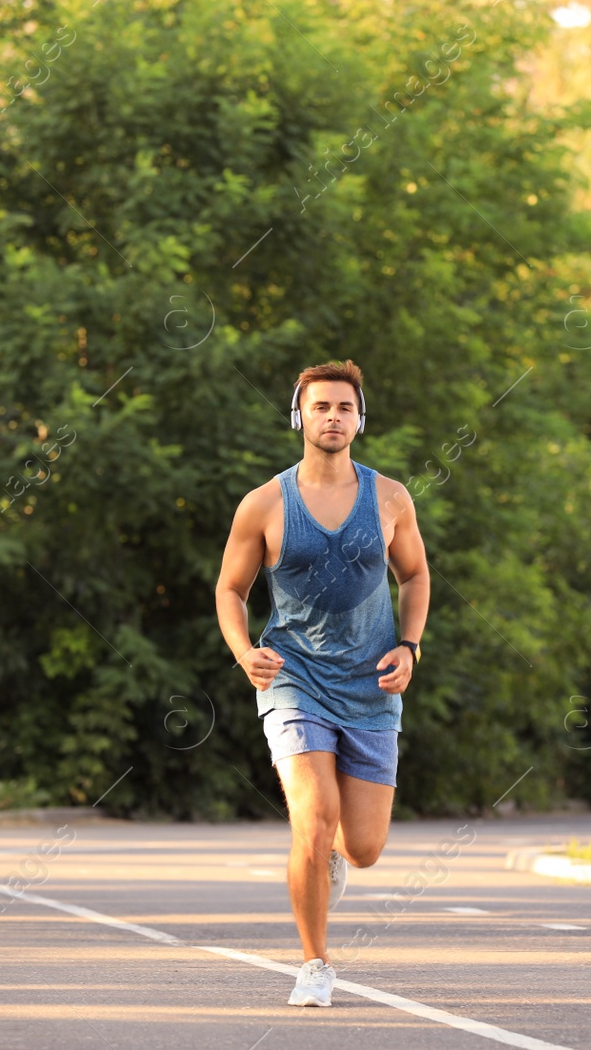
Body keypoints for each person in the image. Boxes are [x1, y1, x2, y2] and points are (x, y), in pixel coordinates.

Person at [214, 359, 430, 1008]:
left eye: (343, 407)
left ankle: (332, 856)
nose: (332, 416)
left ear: (360, 419)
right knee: (313, 815)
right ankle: (313, 962)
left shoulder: (390, 497)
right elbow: (230, 588)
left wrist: (410, 646)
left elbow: (415, 576)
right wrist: (243, 649)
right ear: (298, 416)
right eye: (320, 406)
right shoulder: (265, 503)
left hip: (371, 686)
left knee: (362, 846)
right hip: (293, 677)